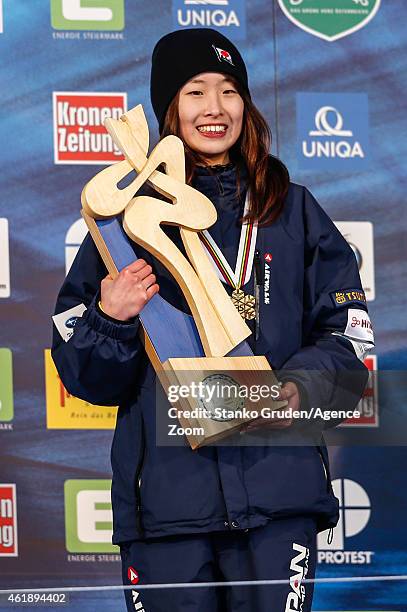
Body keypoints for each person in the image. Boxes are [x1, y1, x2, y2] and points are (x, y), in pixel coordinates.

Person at [52, 28, 374, 612]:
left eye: (229, 91)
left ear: (245, 106)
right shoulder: (122, 224)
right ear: (169, 108)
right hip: (168, 510)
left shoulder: (291, 209)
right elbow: (83, 376)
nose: (215, 108)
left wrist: (294, 390)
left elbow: (346, 338)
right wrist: (109, 318)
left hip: (279, 498)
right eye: (196, 91)